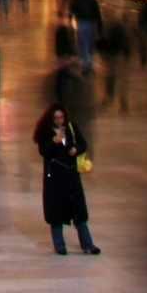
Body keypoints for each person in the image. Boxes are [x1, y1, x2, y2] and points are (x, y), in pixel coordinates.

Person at [35, 104, 99, 255]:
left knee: (79, 212)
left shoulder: (71, 127)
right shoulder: (45, 132)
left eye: (61, 117)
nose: (59, 121)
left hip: (71, 177)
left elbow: (83, 143)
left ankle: (88, 245)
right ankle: (60, 246)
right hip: (55, 179)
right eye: (56, 118)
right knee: (56, 214)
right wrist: (54, 141)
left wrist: (76, 149)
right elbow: (43, 151)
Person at [70, 0, 101, 73]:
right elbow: (97, 14)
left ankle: (85, 63)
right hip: (91, 23)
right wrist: (99, 27)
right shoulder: (93, 0)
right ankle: (88, 62)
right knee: (89, 43)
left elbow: (72, 10)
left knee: (83, 43)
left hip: (82, 22)